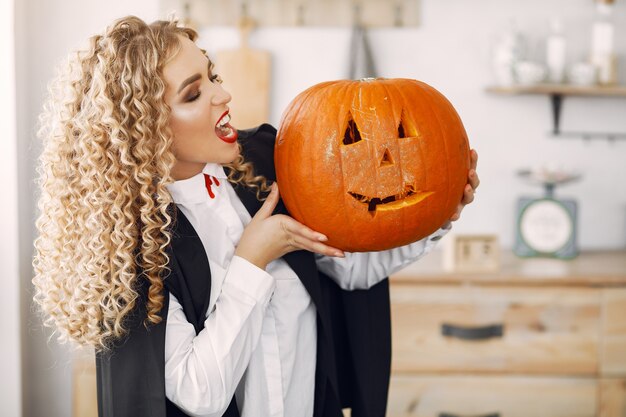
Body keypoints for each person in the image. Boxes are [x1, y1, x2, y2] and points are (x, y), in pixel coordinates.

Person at [32, 15, 480, 417]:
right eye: (194, 94)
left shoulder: (267, 163)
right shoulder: (132, 241)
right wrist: (252, 259)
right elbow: (198, 394)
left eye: (212, 77)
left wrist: (438, 214)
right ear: (144, 131)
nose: (223, 95)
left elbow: (351, 270)